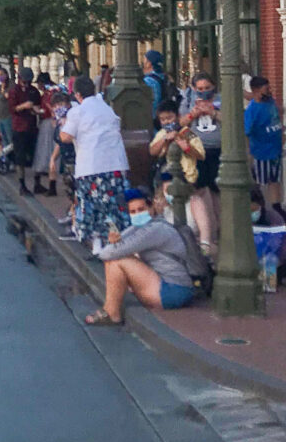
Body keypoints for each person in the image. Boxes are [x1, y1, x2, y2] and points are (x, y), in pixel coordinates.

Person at [85, 188, 194, 326]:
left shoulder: (155, 230)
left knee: (117, 260)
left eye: (141, 209)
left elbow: (107, 253)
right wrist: (114, 242)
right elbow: (110, 250)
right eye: (133, 212)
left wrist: (114, 246)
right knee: (116, 258)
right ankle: (111, 311)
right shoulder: (142, 226)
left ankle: (112, 313)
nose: (138, 214)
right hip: (168, 286)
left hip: (173, 290)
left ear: (151, 207)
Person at [59, 75, 131, 253]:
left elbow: (65, 137)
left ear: (77, 94)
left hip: (91, 165)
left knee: (92, 206)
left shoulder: (77, 111)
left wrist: (62, 124)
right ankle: (115, 242)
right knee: (113, 205)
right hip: (115, 163)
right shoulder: (106, 108)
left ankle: (97, 244)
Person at [179, 71, 222, 258]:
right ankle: (207, 236)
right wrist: (192, 115)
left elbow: (234, 121)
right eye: (200, 89)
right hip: (198, 151)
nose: (204, 92)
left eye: (207, 88)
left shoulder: (222, 99)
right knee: (199, 191)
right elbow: (180, 122)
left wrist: (213, 112)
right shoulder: (188, 101)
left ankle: (219, 234)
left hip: (218, 150)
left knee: (217, 193)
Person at [245, 75, 284, 213]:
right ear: (256, 91)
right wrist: (250, 152)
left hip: (276, 149)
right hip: (261, 152)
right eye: (266, 89)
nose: (269, 91)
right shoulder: (252, 110)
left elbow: (277, 116)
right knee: (262, 182)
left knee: (275, 180)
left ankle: (276, 206)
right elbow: (247, 131)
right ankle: (262, 208)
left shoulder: (270, 102)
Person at [149, 99, 204, 187]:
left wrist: (188, 148)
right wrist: (164, 139)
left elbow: (201, 156)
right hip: (167, 176)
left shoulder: (188, 133)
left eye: (169, 118)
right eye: (163, 119)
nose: (167, 122)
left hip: (187, 177)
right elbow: (152, 152)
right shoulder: (162, 133)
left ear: (178, 116)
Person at [8, 67, 43, 196]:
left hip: (32, 126)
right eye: (24, 81)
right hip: (19, 127)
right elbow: (12, 109)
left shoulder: (34, 91)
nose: (26, 84)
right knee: (20, 157)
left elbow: (38, 105)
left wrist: (35, 109)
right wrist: (24, 106)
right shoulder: (14, 91)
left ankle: (37, 183)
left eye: (28, 81)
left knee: (35, 155)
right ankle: (22, 185)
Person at [31, 72, 56, 195]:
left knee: (46, 152)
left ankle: (51, 185)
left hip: (50, 123)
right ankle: (40, 183)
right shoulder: (48, 93)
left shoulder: (51, 93)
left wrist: (37, 111)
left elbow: (48, 109)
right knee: (44, 152)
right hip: (46, 123)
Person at [48, 91, 75, 199]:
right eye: (55, 106)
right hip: (66, 159)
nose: (58, 108)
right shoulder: (60, 121)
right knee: (70, 187)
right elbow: (59, 143)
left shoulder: (72, 119)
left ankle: (74, 212)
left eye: (61, 104)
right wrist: (53, 159)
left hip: (76, 160)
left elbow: (67, 139)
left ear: (68, 105)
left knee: (75, 188)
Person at [142, 49, 165, 120]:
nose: (143, 62)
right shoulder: (164, 77)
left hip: (153, 119)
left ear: (149, 63)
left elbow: (152, 103)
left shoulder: (148, 81)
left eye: (144, 60)